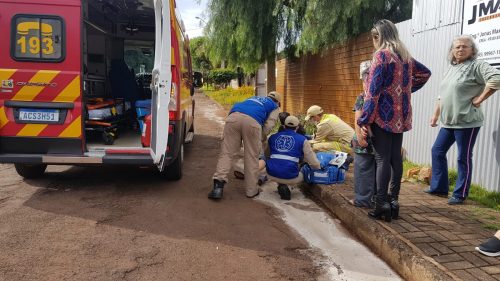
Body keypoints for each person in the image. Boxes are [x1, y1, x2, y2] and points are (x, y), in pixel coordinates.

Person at [357, 19, 431, 222]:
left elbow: (372, 93)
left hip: (383, 116)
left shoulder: (381, 55)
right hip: (401, 116)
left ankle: (381, 204)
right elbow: (425, 74)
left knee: (382, 159)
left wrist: (364, 120)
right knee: (395, 159)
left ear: (377, 37)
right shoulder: (405, 57)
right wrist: (404, 93)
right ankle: (394, 201)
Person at [427, 35, 500, 204]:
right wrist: (435, 114)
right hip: (448, 121)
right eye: (457, 47)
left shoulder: (477, 66)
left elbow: (496, 78)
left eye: (464, 47)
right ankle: (439, 188)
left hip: (467, 122)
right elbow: (442, 94)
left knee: (463, 157)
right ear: (452, 51)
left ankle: (460, 194)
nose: (460, 49)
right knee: (437, 150)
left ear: (472, 50)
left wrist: (480, 99)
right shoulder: (451, 68)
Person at [208, 91, 281, 200]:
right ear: (278, 101)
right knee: (251, 157)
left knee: (226, 153)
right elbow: (268, 126)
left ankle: (218, 187)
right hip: (252, 122)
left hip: (233, 118)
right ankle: (251, 191)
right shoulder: (274, 106)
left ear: (267, 96)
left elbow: (238, 108)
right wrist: (261, 138)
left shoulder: (253, 98)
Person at [265, 116, 321, 200]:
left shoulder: (272, 137)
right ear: (297, 127)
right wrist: (318, 168)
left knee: (278, 165)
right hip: (290, 177)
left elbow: (267, 155)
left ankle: (281, 184)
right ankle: (288, 187)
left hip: (271, 174)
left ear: (284, 126)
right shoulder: (302, 139)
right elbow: (312, 160)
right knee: (304, 171)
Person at [349, 60, 376, 208]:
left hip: (367, 141)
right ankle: (372, 199)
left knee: (364, 171)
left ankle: (363, 200)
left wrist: (359, 137)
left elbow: (358, 118)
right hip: (374, 140)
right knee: (373, 170)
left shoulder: (363, 96)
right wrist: (360, 136)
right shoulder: (369, 96)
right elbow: (358, 118)